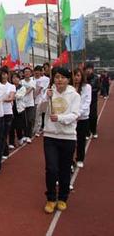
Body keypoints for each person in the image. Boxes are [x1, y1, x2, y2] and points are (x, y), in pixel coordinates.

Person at [42, 67, 80, 214]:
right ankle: (51, 198)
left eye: (63, 77)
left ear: (68, 79)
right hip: (50, 136)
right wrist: (46, 97)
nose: (59, 80)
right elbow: (40, 109)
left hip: (68, 137)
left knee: (64, 169)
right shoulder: (49, 92)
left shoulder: (74, 95)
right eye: (57, 77)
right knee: (51, 169)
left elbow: (75, 114)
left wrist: (60, 118)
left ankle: (63, 198)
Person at [72, 69, 91, 169]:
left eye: (78, 75)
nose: (76, 77)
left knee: (81, 139)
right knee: (70, 140)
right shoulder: (70, 87)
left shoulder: (87, 87)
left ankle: (80, 158)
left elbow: (87, 103)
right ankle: (69, 160)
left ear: (82, 76)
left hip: (83, 118)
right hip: (71, 119)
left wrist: (78, 114)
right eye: (74, 75)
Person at [0, 68, 16, 159]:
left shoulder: (11, 86)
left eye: (5, 74)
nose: (3, 76)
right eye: (2, 74)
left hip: (7, 112)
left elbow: (11, 98)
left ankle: (3, 151)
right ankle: (3, 151)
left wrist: (0, 99)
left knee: (4, 133)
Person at [9, 73, 27, 149]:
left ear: (19, 79)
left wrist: (12, 95)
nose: (15, 79)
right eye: (13, 78)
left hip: (19, 109)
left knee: (19, 126)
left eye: (17, 78)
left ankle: (20, 138)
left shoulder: (22, 87)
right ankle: (11, 142)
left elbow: (20, 96)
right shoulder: (10, 87)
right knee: (11, 126)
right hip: (11, 109)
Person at [20, 67, 36, 143]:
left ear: (31, 73)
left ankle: (29, 136)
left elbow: (30, 90)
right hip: (22, 104)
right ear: (23, 73)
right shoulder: (21, 82)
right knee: (23, 120)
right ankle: (24, 135)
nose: (27, 73)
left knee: (30, 120)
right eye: (25, 72)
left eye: (28, 72)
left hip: (30, 103)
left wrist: (22, 93)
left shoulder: (33, 81)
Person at [33, 66, 50, 137]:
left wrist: (34, 96)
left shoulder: (44, 79)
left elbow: (39, 89)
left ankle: (37, 130)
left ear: (40, 72)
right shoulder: (32, 79)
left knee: (38, 115)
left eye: (38, 71)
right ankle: (34, 129)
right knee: (33, 116)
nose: (37, 73)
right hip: (31, 101)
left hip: (39, 100)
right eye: (35, 71)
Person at [84, 63, 100, 139]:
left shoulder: (96, 78)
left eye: (90, 69)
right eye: (87, 69)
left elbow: (98, 88)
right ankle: (87, 132)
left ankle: (94, 131)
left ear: (92, 69)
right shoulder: (84, 77)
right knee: (86, 116)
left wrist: (90, 90)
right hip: (85, 99)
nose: (88, 70)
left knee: (93, 116)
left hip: (93, 100)